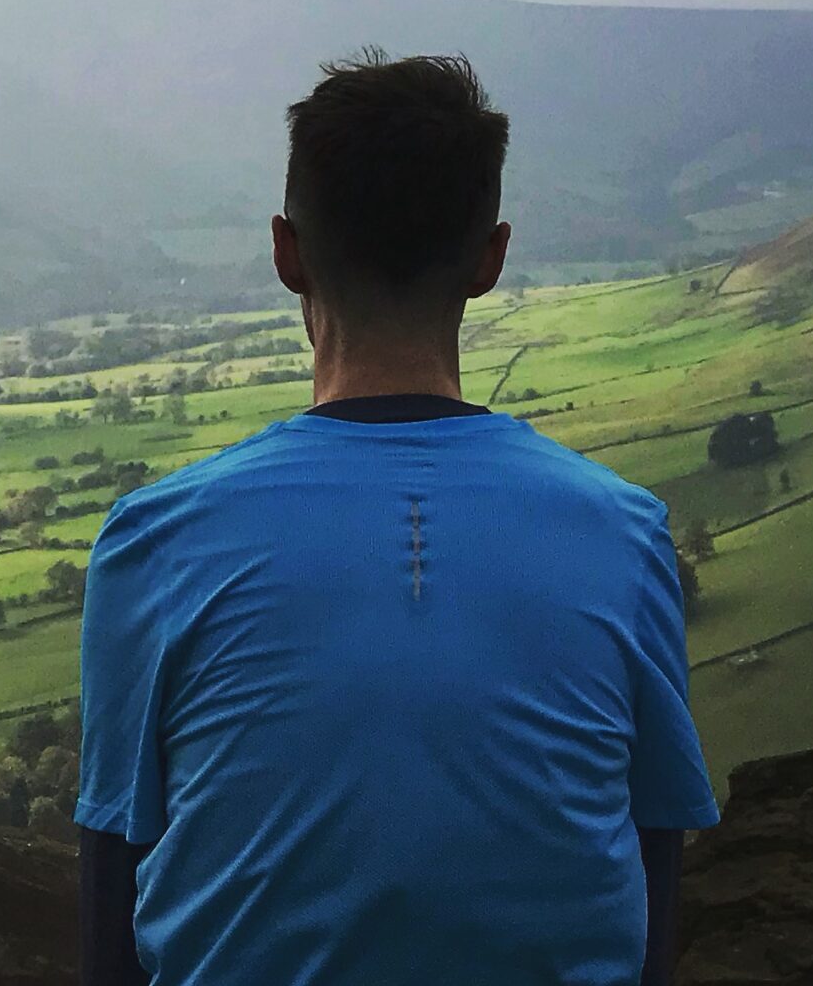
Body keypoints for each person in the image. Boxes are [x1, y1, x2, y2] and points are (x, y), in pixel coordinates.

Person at [76, 50, 717, 984]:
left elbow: (111, 906)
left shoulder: (152, 543)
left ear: (286, 251)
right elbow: (653, 876)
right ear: (491, 258)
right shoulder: (623, 536)